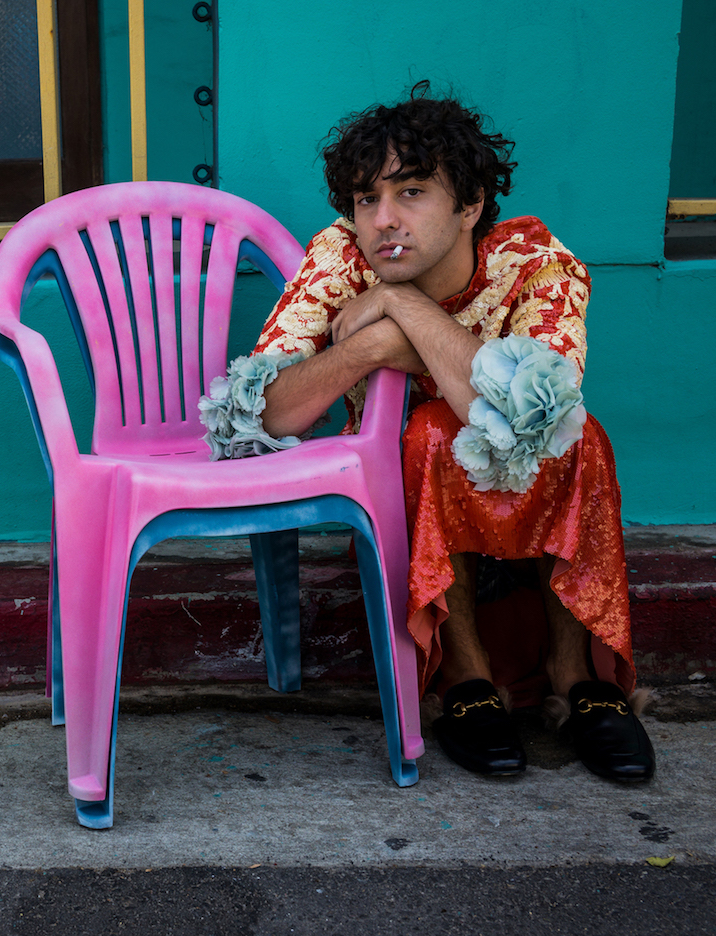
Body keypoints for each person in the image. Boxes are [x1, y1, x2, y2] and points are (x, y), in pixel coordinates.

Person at [204, 82, 653, 781]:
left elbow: (531, 417)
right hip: (415, 515)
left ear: (469, 205)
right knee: (431, 431)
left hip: (535, 513)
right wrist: (369, 347)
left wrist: (405, 309)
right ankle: (466, 678)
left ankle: (576, 676)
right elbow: (259, 419)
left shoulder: (537, 265)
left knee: (581, 434)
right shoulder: (341, 258)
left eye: (411, 192)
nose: (383, 220)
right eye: (365, 199)